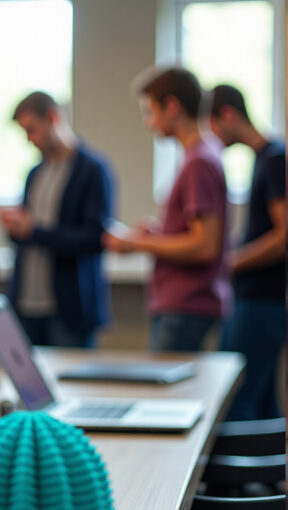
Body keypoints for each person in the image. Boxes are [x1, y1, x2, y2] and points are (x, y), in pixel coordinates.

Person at [104, 67, 229, 352]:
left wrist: (138, 242)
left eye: (150, 112)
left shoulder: (199, 161)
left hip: (186, 303)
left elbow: (204, 245)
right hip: (185, 303)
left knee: (166, 396)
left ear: (172, 107)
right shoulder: (201, 154)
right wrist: (159, 232)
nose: (148, 123)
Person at [1, 91, 115, 348]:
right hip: (27, 305)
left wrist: (35, 231)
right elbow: (28, 234)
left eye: (32, 129)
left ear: (52, 118)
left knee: (71, 386)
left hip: (68, 309)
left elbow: (94, 238)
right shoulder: (35, 173)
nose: (29, 139)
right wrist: (15, 227)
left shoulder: (93, 171)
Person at [207, 84, 286, 420]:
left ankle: (240, 475)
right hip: (257, 300)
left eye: (211, 123)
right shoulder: (263, 159)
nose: (211, 135)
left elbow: (284, 236)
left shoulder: (275, 159)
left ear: (227, 114)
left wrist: (230, 262)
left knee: (237, 401)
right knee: (263, 404)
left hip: (261, 302)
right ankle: (268, 475)